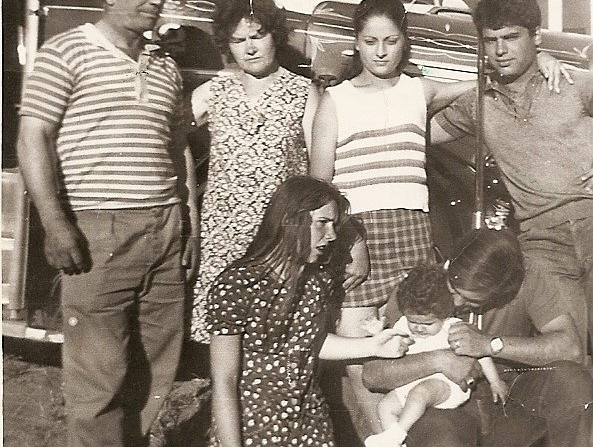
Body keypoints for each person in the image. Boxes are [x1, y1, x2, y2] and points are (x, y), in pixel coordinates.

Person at [309, 0, 564, 433]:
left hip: (411, 232)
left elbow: (489, 81)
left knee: (418, 340)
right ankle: (382, 440)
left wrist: (542, 62)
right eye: (371, 42)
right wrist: (349, 243)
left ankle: (417, 437)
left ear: (405, 41)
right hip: (357, 238)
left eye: (391, 40)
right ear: (357, 42)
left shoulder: (418, 90)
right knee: (361, 354)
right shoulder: (336, 99)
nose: (382, 51)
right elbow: (319, 189)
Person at [16, 0, 199, 447]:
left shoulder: (164, 67)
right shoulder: (65, 52)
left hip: (164, 229)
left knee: (155, 369)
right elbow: (33, 137)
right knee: (99, 377)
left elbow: (178, 148)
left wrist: (189, 226)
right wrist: (55, 224)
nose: (158, 0)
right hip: (100, 231)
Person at [431, 0, 592, 351]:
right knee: (571, 354)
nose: (500, 50)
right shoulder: (477, 104)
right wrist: (467, 85)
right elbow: (415, 127)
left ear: (536, 36)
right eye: (490, 41)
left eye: (511, 37)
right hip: (543, 244)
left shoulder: (573, 83)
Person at [207, 175, 414, 447]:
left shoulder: (315, 280)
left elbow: (310, 343)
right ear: (291, 220)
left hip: (309, 423)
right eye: (323, 224)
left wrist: (375, 346)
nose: (332, 236)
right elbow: (225, 380)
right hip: (253, 428)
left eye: (335, 225)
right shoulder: (237, 285)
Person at [363, 228, 592, 447]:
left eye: (473, 302)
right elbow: (373, 375)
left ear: (503, 290)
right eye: (453, 291)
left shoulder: (527, 276)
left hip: (507, 398)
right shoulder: (418, 288)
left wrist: (490, 345)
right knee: (442, 437)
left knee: (570, 380)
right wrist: (438, 360)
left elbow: (571, 349)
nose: (457, 304)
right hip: (441, 406)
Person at [190, 0, 330, 342]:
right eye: (238, 40)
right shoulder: (214, 90)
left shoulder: (303, 92)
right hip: (224, 231)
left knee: (275, 324)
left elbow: (319, 170)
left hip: (279, 230)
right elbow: (173, 142)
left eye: (258, 36)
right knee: (226, 326)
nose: (249, 48)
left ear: (275, 36)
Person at [364, 265, 507, 447]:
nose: (418, 328)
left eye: (428, 323)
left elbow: (481, 354)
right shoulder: (404, 325)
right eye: (413, 321)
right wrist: (378, 333)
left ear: (444, 314)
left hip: (447, 386)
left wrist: (495, 381)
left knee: (420, 394)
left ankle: (396, 435)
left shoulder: (453, 327)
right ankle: (394, 441)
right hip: (413, 383)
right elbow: (393, 345)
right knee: (384, 406)